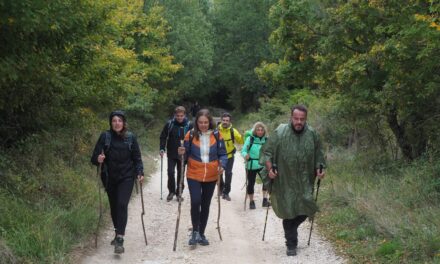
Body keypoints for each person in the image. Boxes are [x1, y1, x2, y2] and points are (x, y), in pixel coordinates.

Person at [259, 105, 326, 257]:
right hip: (284, 179)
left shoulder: (313, 134)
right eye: (296, 118)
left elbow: (319, 155)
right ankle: (291, 244)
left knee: (307, 206)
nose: (299, 122)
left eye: (302, 119)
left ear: (306, 119)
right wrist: (270, 169)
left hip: (305, 179)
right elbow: (267, 152)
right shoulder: (280, 131)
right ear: (291, 117)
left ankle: (291, 228)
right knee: (288, 210)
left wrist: (319, 169)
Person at [90, 110, 144, 254]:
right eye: (114, 121)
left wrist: (140, 172)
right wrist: (98, 159)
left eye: (119, 120)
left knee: (121, 204)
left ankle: (120, 237)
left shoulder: (130, 137)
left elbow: (137, 158)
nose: (117, 123)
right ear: (111, 123)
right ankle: (117, 231)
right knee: (114, 206)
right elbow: (94, 157)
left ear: (124, 122)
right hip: (109, 177)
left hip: (126, 177)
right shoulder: (105, 137)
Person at [178, 109, 227, 246]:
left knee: (205, 204)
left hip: (211, 175)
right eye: (200, 122)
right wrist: (181, 153)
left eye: (206, 122)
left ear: (209, 122)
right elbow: (184, 156)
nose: (203, 125)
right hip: (194, 173)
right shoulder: (191, 134)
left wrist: (223, 165)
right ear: (197, 123)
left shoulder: (217, 135)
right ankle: (194, 231)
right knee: (195, 201)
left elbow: (223, 154)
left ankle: (201, 233)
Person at [159, 106, 193, 201]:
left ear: (184, 115)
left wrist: (191, 152)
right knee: (170, 172)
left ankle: (179, 193)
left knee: (181, 174)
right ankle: (171, 191)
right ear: (175, 115)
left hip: (183, 154)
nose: (179, 118)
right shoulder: (170, 124)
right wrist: (162, 148)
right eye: (178, 116)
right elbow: (163, 136)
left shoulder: (189, 125)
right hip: (171, 152)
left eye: (181, 116)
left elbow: (193, 139)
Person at [241, 122, 269, 209]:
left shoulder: (266, 140)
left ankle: (265, 200)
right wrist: (245, 155)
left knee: (266, 182)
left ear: (264, 131)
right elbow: (243, 150)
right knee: (251, 183)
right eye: (258, 130)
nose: (260, 131)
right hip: (251, 164)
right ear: (255, 131)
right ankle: (251, 201)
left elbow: (270, 151)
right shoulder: (250, 139)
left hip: (262, 164)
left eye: (261, 130)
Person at [217, 112, 243, 201]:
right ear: (221, 120)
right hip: (218, 156)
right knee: (218, 173)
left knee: (228, 174)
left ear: (230, 121)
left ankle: (226, 192)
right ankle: (221, 188)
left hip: (229, 155)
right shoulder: (216, 130)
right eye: (223, 120)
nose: (225, 122)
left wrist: (245, 136)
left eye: (227, 120)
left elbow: (240, 141)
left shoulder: (233, 131)